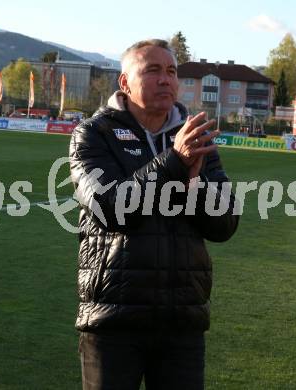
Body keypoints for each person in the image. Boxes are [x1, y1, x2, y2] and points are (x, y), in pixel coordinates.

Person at [69, 39, 239, 390]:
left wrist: (194, 186)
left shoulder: (196, 137)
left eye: (172, 71)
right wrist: (175, 162)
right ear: (125, 82)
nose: (166, 80)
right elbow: (113, 209)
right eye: (152, 70)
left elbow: (225, 225)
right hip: (113, 317)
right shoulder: (93, 134)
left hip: (182, 319)